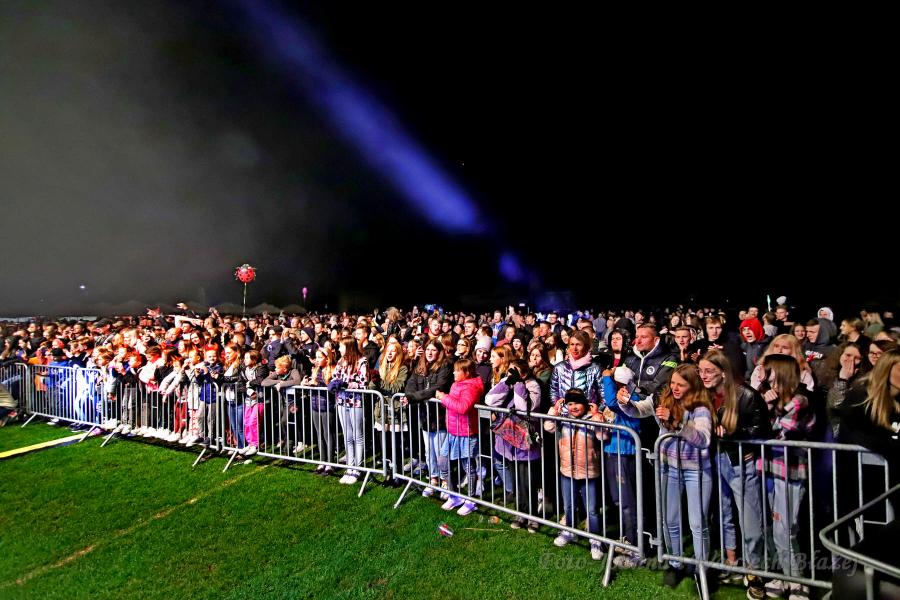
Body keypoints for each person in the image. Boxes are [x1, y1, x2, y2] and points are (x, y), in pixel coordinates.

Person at [619, 364, 714, 589]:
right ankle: (675, 563)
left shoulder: (701, 407)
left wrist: (678, 422)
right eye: (673, 383)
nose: (675, 388)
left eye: (681, 384)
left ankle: (702, 569)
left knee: (697, 523)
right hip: (668, 468)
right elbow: (638, 410)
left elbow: (703, 439)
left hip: (696, 471)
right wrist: (625, 403)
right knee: (670, 520)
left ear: (693, 385)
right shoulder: (662, 399)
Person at [698, 351, 769, 598]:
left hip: (740, 463)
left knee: (750, 522)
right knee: (724, 513)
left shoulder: (746, 395)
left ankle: (755, 573)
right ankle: (732, 563)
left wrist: (734, 434)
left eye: (709, 371)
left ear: (723, 372)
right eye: (701, 371)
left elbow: (761, 430)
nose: (703, 375)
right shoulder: (705, 395)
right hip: (716, 460)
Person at [756, 354, 816, 600]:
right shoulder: (771, 398)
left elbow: (780, 432)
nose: (765, 378)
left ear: (779, 374)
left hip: (790, 472)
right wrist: (766, 406)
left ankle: (798, 582)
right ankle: (783, 576)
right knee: (772, 528)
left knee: (786, 530)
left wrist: (768, 408)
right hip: (770, 468)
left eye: (768, 373)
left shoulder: (800, 401)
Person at [544, 388, 607, 561]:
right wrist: (554, 410)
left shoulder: (592, 419)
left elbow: (603, 436)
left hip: (589, 472)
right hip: (567, 470)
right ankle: (570, 531)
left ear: (585, 404)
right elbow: (548, 426)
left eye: (577, 403)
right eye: (570, 403)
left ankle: (595, 539)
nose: (573, 407)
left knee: (592, 509)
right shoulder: (563, 419)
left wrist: (597, 416)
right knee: (569, 505)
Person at [484, 358, 542, 531]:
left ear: (524, 372)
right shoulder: (508, 383)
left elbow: (524, 408)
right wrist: (505, 382)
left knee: (528, 482)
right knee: (516, 481)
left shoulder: (533, 385)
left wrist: (518, 385)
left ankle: (532, 517)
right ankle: (520, 513)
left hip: (526, 443)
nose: (511, 373)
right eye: (510, 370)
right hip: (510, 442)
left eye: (515, 371)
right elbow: (490, 400)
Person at [400, 339, 453, 496]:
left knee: (440, 452)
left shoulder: (445, 367)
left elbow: (437, 388)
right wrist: (409, 395)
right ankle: (433, 479)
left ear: (439, 352)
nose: (430, 352)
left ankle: (445, 481)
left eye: (433, 350)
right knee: (429, 452)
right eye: (428, 349)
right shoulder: (420, 366)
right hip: (425, 416)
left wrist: (413, 397)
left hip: (439, 417)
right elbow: (411, 384)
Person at [435, 358, 485, 516]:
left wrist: (444, 398)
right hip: (453, 431)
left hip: (466, 433)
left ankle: (471, 500)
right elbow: (451, 404)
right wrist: (445, 399)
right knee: (443, 461)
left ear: (467, 372)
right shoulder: (455, 384)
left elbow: (463, 407)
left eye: (457, 370)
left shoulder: (471, 387)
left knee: (468, 466)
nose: (454, 373)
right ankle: (454, 495)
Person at [327, 338, 369, 485]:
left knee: (357, 436)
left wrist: (346, 384)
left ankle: (358, 468)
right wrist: (333, 383)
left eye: (341, 346)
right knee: (347, 436)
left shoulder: (362, 361)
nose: (339, 349)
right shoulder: (341, 361)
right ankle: (349, 467)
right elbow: (335, 377)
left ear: (349, 347)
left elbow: (363, 384)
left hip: (355, 402)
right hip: (341, 401)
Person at [302, 347, 336, 475]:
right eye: (316, 357)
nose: (317, 359)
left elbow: (332, 388)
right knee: (319, 434)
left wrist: (317, 384)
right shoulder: (316, 369)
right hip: (315, 405)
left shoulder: (332, 369)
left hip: (327, 406)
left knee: (328, 434)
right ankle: (322, 461)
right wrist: (306, 383)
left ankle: (330, 463)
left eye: (320, 357)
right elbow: (313, 383)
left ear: (327, 358)